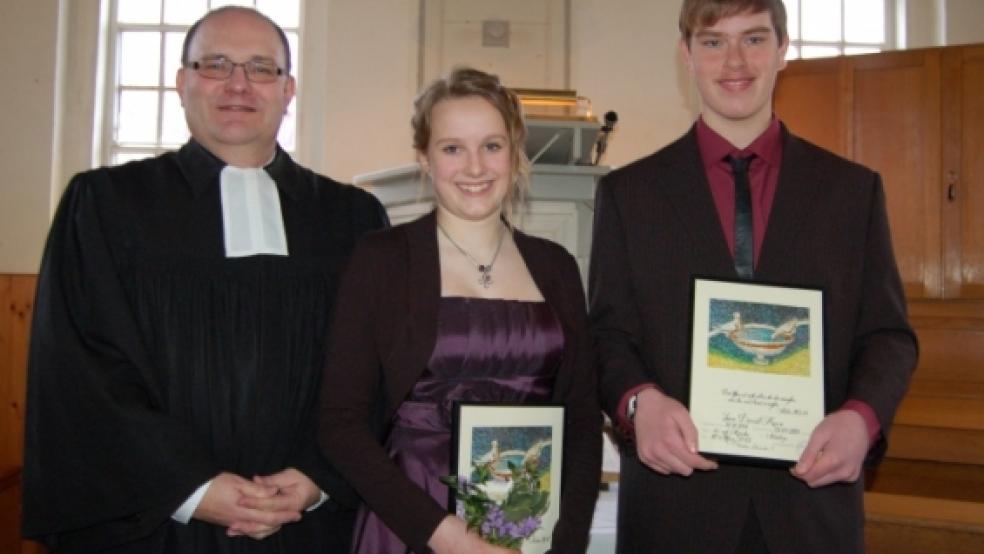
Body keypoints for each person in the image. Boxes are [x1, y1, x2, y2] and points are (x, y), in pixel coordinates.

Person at [21, 6, 387, 553]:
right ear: (182, 82)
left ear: (288, 90)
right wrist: (189, 487)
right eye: (215, 64)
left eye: (261, 68)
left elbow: (376, 369)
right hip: (153, 521)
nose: (238, 83)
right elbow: (82, 373)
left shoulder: (352, 218)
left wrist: (317, 478)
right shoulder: (103, 206)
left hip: (307, 525)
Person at [588, 1, 918, 552]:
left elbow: (888, 335)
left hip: (810, 507)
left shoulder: (851, 191)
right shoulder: (628, 194)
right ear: (686, 55)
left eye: (755, 39)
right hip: (676, 510)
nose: (734, 60)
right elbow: (605, 334)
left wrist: (862, 419)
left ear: (784, 49)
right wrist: (639, 402)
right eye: (713, 41)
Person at [317, 67, 601, 553]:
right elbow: (339, 423)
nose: (475, 167)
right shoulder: (381, 260)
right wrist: (442, 534)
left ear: (515, 153)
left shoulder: (555, 267)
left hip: (526, 524)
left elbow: (580, 420)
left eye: (491, 145)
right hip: (410, 523)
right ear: (425, 159)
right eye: (452, 148)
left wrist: (566, 539)